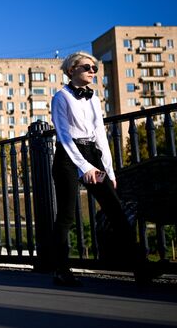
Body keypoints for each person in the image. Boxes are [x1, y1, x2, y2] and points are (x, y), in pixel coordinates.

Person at [50, 51, 157, 286]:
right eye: (87, 67)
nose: (92, 71)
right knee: (66, 215)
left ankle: (141, 268)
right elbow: (65, 136)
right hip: (68, 158)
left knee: (116, 210)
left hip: (91, 154)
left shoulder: (95, 98)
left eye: (94, 68)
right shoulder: (61, 97)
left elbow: (100, 134)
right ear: (71, 70)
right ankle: (61, 269)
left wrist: (108, 169)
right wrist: (84, 167)